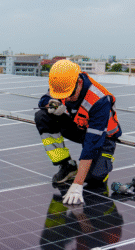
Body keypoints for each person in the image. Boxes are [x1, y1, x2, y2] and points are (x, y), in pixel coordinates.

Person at [36, 59, 122, 205]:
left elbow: (91, 144)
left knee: (94, 178)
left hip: (103, 138)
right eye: (63, 95)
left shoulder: (99, 99)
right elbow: (43, 100)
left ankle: (103, 165)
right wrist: (51, 104)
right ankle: (67, 165)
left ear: (79, 82)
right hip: (79, 128)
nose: (67, 99)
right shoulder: (62, 83)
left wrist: (77, 183)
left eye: (70, 94)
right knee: (42, 116)